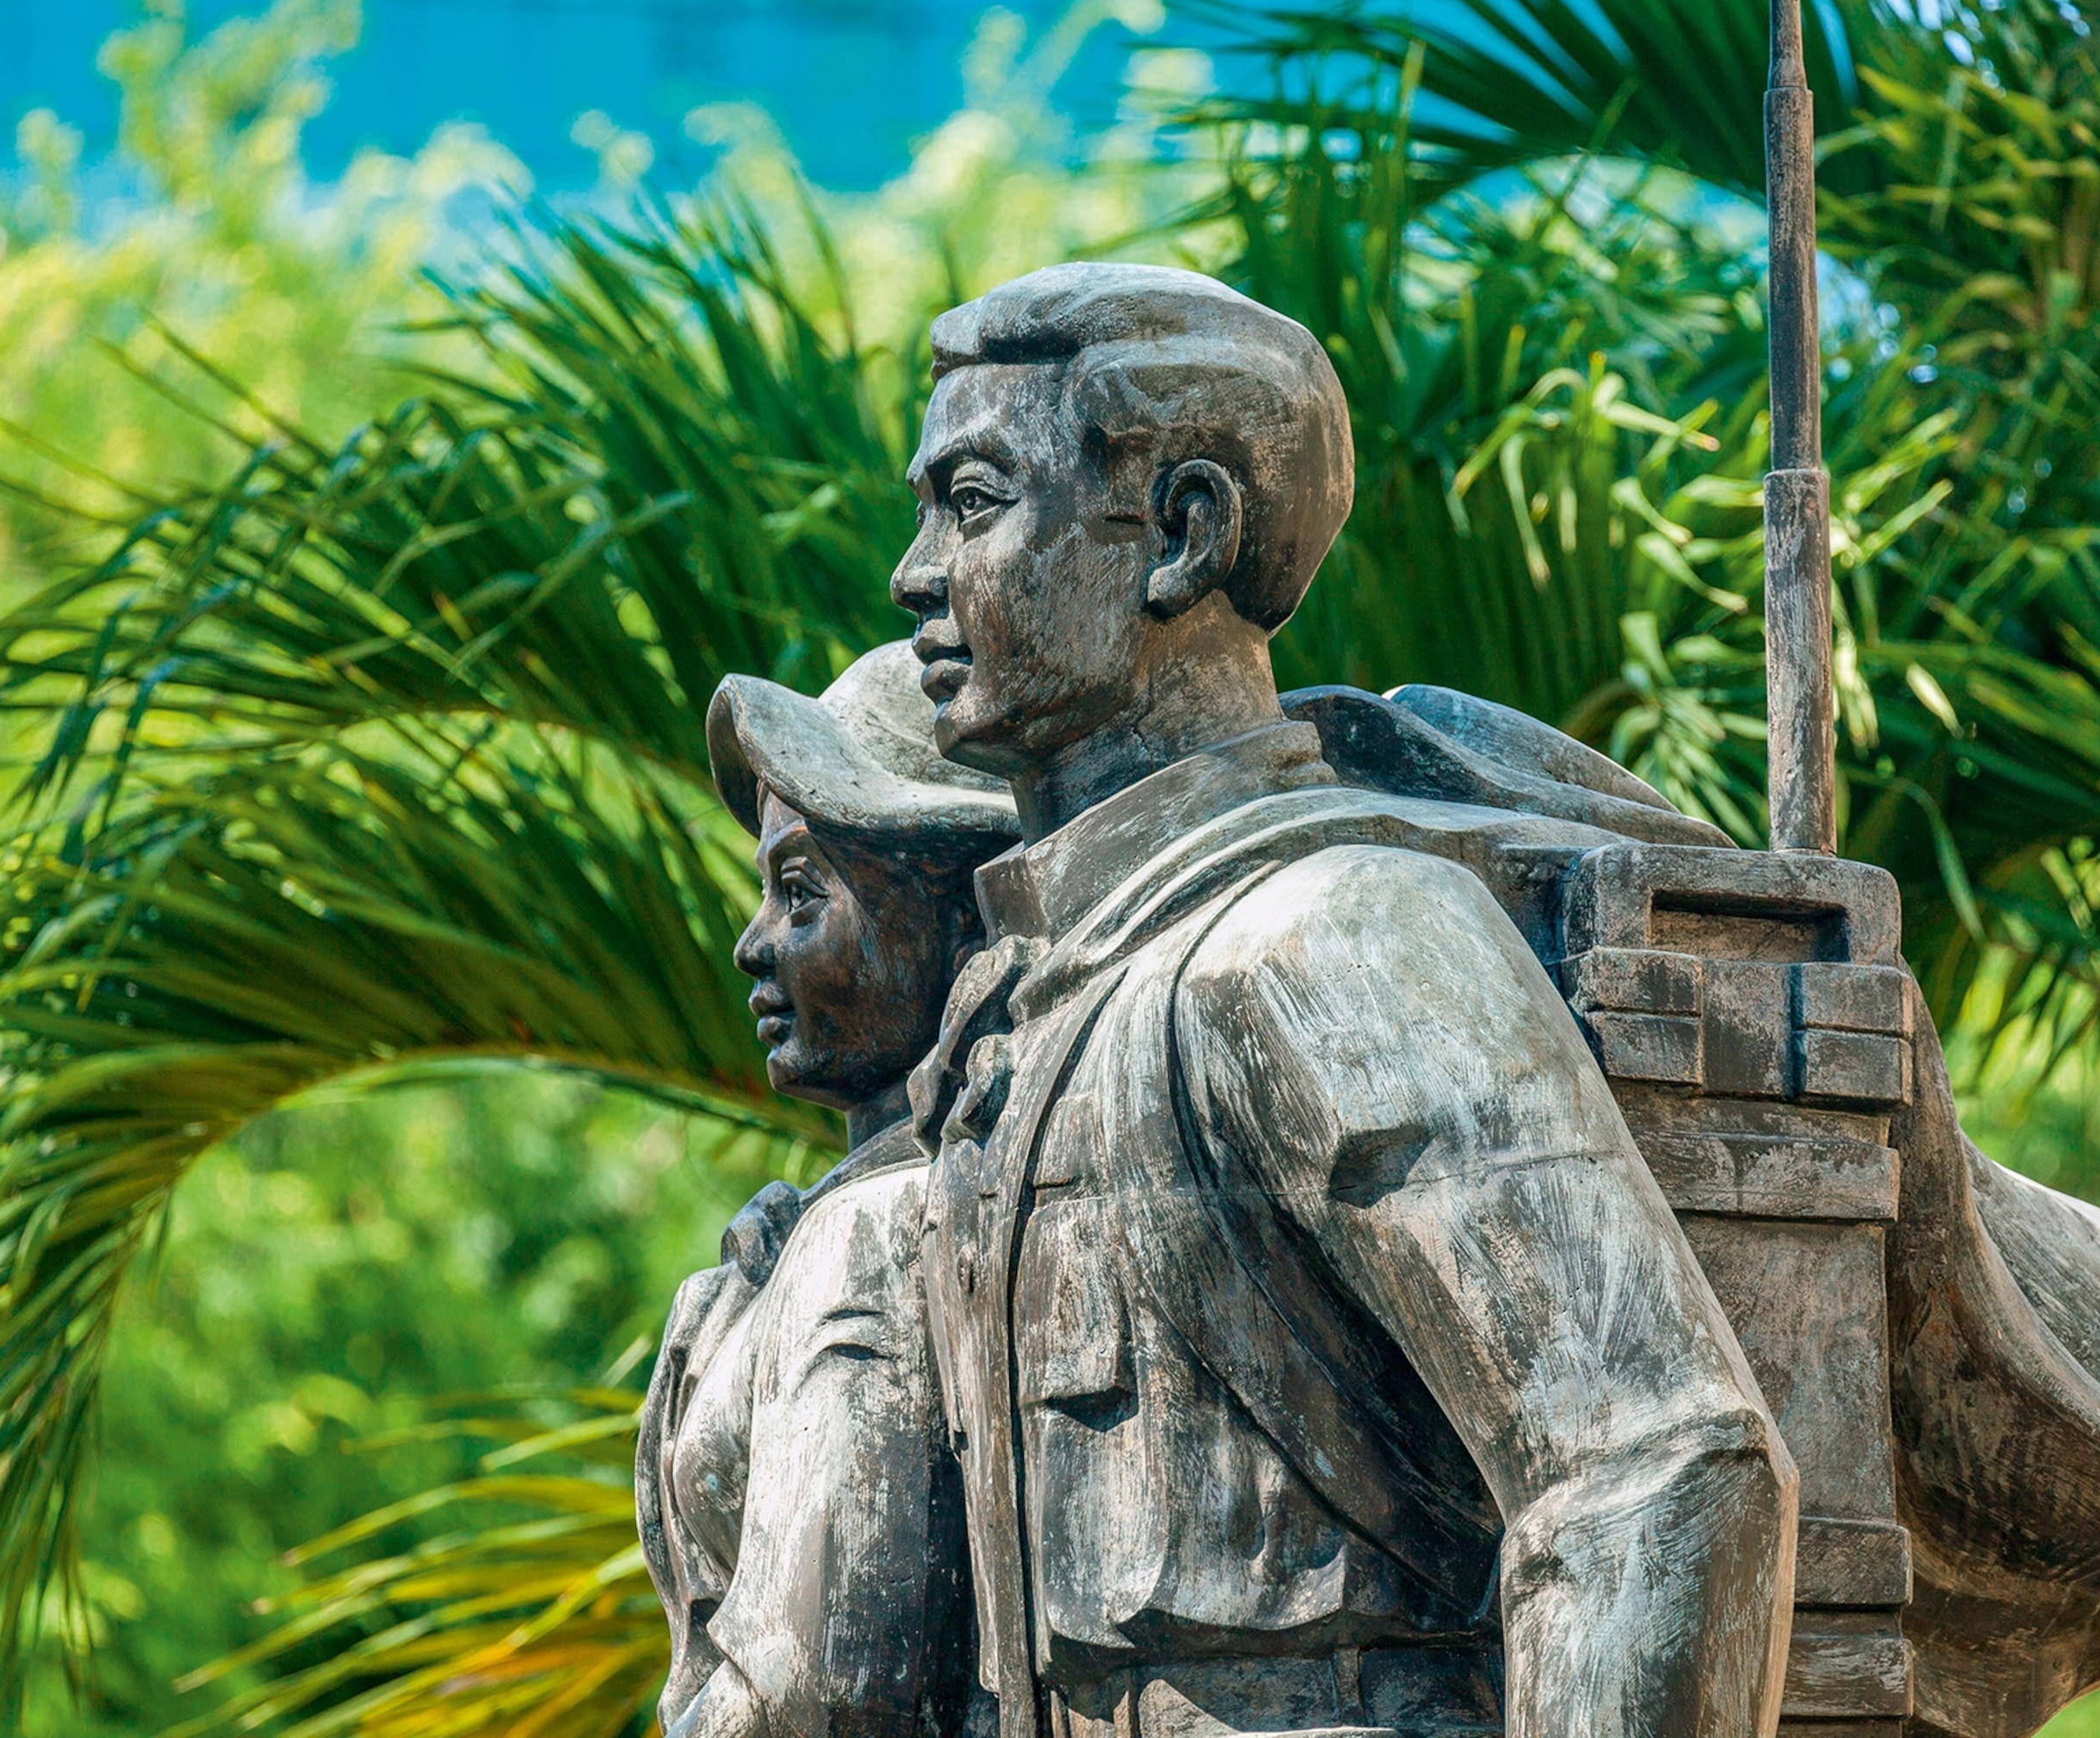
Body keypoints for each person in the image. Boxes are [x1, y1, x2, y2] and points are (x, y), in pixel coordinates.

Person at [890, 262, 1798, 1738]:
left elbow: (1654, 1469)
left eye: (975, 501)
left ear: (1184, 534)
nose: (914, 572)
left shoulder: (1328, 939)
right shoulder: (1045, 1000)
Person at [634, 642, 1020, 1738]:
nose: (754, 942)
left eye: (802, 892)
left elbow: (821, 1685)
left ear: (965, 921)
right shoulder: (818, 1232)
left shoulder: (878, 1234)